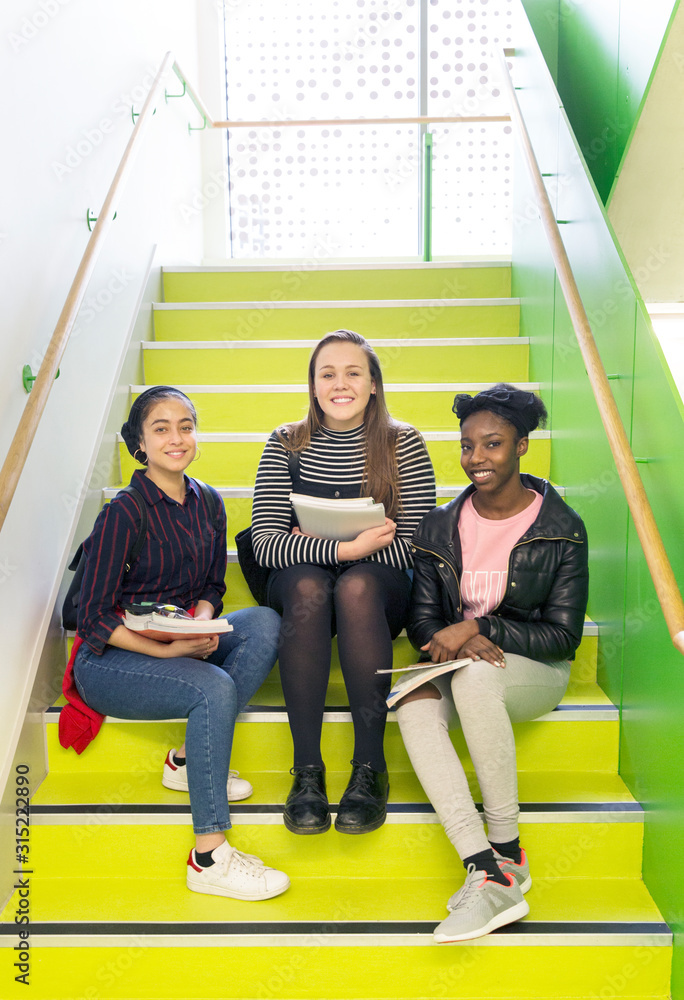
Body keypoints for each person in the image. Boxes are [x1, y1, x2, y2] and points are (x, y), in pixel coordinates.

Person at [72, 385, 289, 901]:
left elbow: (212, 586)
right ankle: (209, 856)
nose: (177, 438)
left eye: (186, 426)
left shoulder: (208, 502)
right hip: (112, 660)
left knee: (264, 621)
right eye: (161, 428)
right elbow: (91, 616)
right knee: (212, 688)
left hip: (181, 636)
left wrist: (205, 623)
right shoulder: (124, 511)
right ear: (140, 443)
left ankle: (190, 763)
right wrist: (168, 650)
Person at [396, 383, 589, 942]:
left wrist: (482, 628)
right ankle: (484, 867)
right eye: (466, 446)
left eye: (493, 444)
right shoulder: (438, 526)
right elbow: (424, 623)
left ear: (523, 446)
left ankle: (507, 845)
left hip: (533, 670)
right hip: (459, 663)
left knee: (480, 676)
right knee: (411, 696)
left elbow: (562, 637)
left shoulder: (561, 528)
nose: (476, 459)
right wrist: (450, 639)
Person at [251, 330, 436, 835]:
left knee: (354, 586)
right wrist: (347, 549)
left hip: (378, 592)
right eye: (327, 373)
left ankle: (369, 767)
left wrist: (349, 557)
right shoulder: (286, 441)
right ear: (312, 385)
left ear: (374, 384)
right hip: (300, 587)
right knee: (311, 585)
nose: (340, 384)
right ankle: (307, 771)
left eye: (354, 372)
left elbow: (419, 542)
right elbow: (266, 542)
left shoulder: (404, 442)